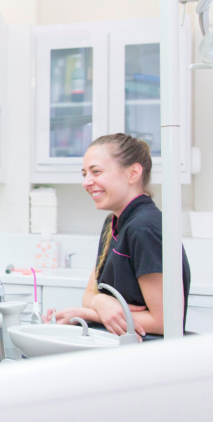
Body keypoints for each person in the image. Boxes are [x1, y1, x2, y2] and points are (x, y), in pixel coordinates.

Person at [43, 134, 191, 338]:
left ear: (133, 173)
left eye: (96, 171)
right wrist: (100, 303)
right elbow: (90, 295)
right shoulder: (114, 222)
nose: (86, 182)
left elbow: (166, 321)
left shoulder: (144, 228)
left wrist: (87, 314)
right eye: (84, 173)